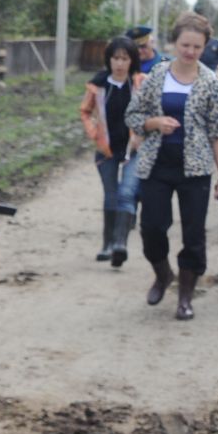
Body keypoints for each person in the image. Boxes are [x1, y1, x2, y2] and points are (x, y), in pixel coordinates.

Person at [124, 12, 218, 320]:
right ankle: (162, 274)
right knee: (152, 228)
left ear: (204, 47)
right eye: (185, 45)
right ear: (175, 43)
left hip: (195, 169)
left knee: (193, 234)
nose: (190, 52)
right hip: (157, 164)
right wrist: (154, 122)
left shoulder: (212, 83)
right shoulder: (156, 77)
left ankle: (186, 296)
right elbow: (133, 115)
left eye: (197, 47)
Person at [79, 36, 143, 265]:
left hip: (133, 150)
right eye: (115, 58)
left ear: (132, 60)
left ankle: (120, 244)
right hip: (106, 150)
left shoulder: (140, 83)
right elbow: (85, 111)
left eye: (124, 59)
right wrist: (94, 132)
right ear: (109, 60)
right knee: (111, 194)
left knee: (126, 192)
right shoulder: (98, 85)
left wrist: (143, 135)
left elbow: (152, 109)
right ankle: (107, 244)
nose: (119, 63)